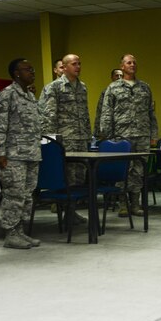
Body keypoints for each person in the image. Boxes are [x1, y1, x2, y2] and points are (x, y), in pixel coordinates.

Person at [99, 53, 158, 217]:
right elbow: (106, 113)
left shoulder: (145, 87)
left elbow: (151, 113)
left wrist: (153, 134)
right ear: (122, 66)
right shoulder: (113, 88)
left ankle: (135, 204)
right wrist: (107, 137)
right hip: (121, 136)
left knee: (138, 171)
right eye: (129, 62)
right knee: (122, 170)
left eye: (134, 62)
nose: (132, 65)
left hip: (142, 135)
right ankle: (122, 204)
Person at [0, 59, 42, 249]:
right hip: (13, 155)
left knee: (27, 195)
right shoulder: (7, 95)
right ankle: (10, 233)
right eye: (27, 69)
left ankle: (20, 231)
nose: (32, 72)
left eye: (32, 68)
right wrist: (1, 153)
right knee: (14, 195)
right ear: (16, 73)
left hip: (31, 153)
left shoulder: (30, 96)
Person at [39, 53, 90, 224]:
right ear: (65, 67)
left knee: (79, 177)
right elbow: (48, 117)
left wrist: (88, 136)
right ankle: (62, 209)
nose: (78, 66)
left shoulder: (82, 87)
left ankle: (71, 211)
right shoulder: (54, 87)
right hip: (64, 141)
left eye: (80, 63)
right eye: (74, 64)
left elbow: (85, 114)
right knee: (66, 177)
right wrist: (52, 143)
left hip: (81, 139)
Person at [94, 68, 123, 141]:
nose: (119, 77)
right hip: (110, 131)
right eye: (117, 75)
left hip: (123, 130)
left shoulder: (129, 91)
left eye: (121, 76)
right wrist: (98, 132)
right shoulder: (106, 91)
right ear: (112, 77)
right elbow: (100, 112)